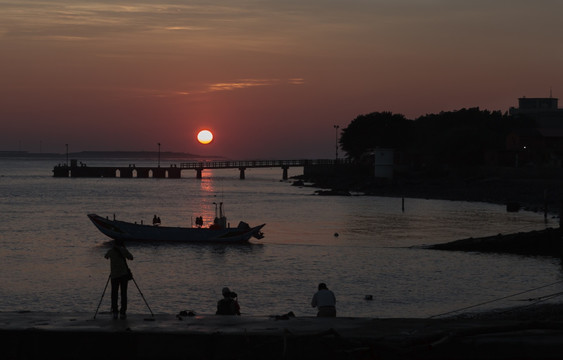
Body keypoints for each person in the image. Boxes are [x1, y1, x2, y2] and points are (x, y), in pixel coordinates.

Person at [104, 239, 134, 319]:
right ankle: (123, 312)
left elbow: (106, 256)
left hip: (114, 276)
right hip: (123, 275)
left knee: (114, 294)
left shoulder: (111, 251)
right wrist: (124, 250)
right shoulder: (123, 250)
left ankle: (115, 312)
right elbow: (131, 257)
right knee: (123, 294)